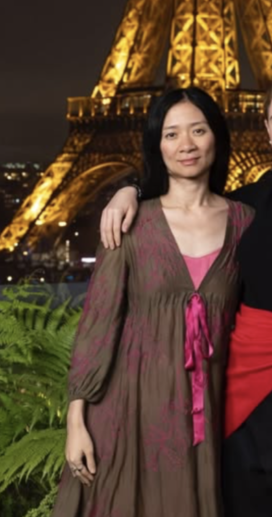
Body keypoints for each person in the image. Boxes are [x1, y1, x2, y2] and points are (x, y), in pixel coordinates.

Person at [99, 72, 272, 517]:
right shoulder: (260, 197)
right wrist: (129, 190)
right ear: (267, 129)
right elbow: (189, 193)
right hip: (240, 390)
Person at [52, 87, 254, 517]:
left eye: (198, 130)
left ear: (217, 136)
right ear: (156, 146)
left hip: (209, 415)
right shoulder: (130, 222)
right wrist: (76, 422)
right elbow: (98, 324)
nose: (186, 145)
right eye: (171, 134)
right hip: (129, 408)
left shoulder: (246, 223)